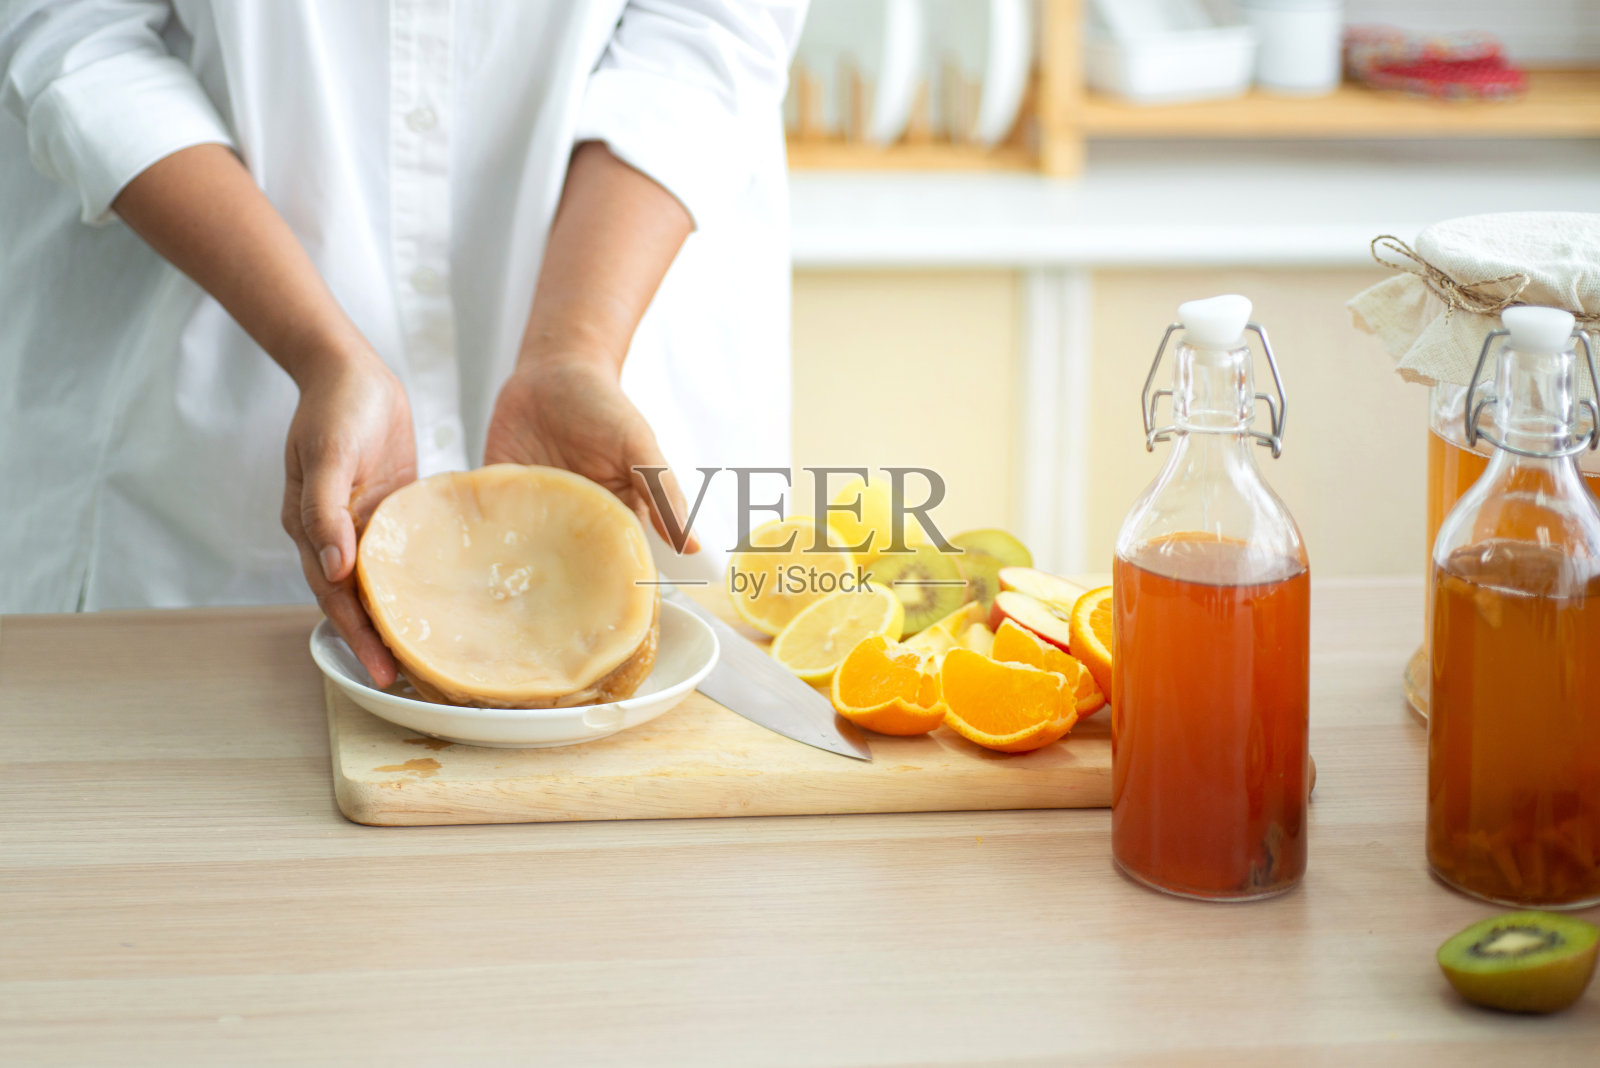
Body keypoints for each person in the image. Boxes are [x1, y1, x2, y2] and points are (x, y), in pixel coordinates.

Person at [0, 1, 801, 685]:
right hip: (191, 476)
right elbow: (78, 35)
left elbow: (708, 30)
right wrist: (320, 350)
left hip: (629, 323)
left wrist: (577, 347)